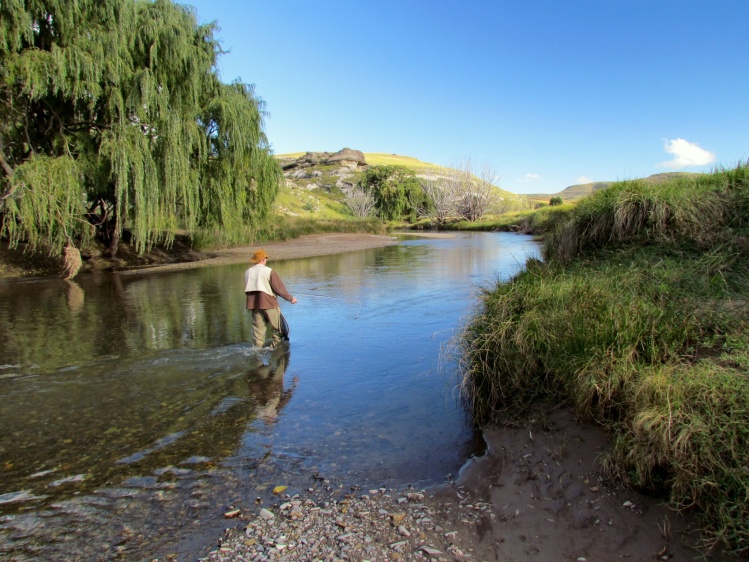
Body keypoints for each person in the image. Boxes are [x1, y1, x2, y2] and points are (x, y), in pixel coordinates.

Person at [244, 249, 297, 348]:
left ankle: (256, 350)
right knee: (277, 329)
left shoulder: (247, 272)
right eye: (266, 258)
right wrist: (290, 298)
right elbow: (279, 289)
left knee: (258, 332)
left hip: (254, 305)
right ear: (263, 259)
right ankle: (275, 348)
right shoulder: (269, 271)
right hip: (269, 303)